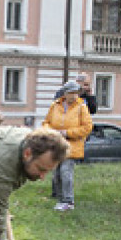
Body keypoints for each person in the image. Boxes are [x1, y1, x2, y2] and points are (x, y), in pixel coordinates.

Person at [44, 80, 93, 211]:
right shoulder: (55, 105)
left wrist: (68, 133)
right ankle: (61, 199)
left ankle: (68, 200)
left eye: (76, 92)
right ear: (65, 93)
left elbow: (87, 127)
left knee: (66, 173)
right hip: (57, 144)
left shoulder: (82, 107)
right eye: (71, 93)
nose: (74, 95)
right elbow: (46, 122)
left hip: (72, 146)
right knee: (57, 174)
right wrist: (52, 132)